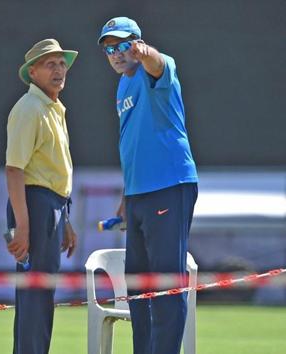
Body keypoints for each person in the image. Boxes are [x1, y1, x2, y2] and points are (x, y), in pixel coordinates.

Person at [97, 17, 199, 354]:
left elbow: (157, 62)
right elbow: (133, 142)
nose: (115, 53)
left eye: (123, 44)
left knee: (166, 284)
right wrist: (128, 194)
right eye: (109, 48)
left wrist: (144, 53)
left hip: (168, 185)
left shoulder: (155, 64)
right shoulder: (123, 84)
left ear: (138, 43)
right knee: (137, 285)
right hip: (140, 194)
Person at [5, 38, 78, 354]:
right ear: (32, 72)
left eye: (62, 63)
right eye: (51, 63)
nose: (59, 69)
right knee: (36, 296)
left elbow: (53, 172)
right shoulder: (29, 108)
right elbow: (14, 170)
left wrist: (66, 219)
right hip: (34, 206)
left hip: (50, 206)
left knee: (41, 294)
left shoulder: (52, 108)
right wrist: (24, 225)